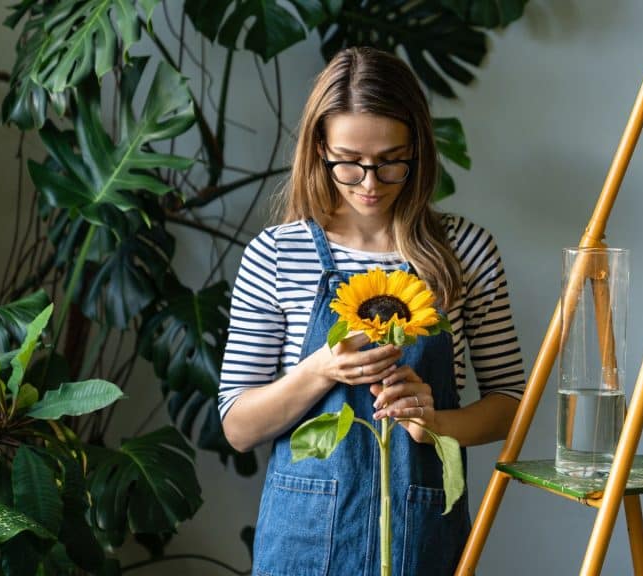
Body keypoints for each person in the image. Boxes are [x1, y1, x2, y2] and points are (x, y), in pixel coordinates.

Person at [217, 47, 525, 575]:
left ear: (419, 149)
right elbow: (239, 427)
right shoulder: (275, 254)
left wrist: (436, 424)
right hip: (303, 538)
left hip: (421, 532)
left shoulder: (465, 252)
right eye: (348, 162)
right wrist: (320, 370)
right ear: (319, 149)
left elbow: (511, 404)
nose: (369, 182)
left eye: (390, 161)